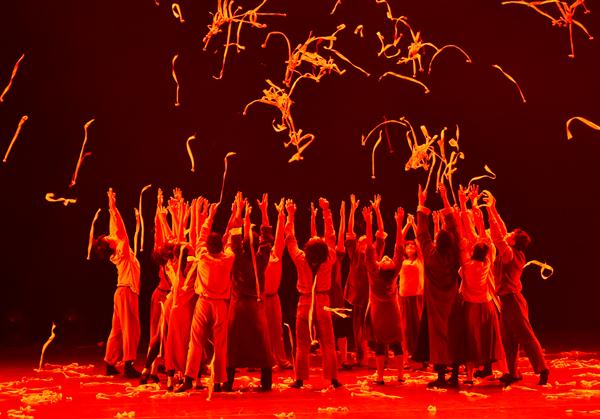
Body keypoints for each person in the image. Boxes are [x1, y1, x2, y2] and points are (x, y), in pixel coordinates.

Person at [484, 191, 549, 386]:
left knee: (525, 335)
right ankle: (513, 372)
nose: (508, 234)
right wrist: (494, 208)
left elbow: (498, 236)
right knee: (508, 338)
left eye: (511, 234)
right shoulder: (511, 251)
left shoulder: (510, 254)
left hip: (513, 299)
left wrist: (490, 210)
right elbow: (502, 231)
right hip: (507, 300)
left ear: (514, 241)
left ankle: (543, 369)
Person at [176, 199, 238, 392]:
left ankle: (189, 378)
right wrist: (236, 213)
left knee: (196, 341)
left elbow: (200, 237)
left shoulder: (202, 256)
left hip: (203, 303)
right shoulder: (228, 258)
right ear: (221, 246)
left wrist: (210, 216)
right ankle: (218, 381)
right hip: (220, 305)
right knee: (220, 344)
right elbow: (232, 239)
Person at [285, 198, 342, 389]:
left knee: (302, 343)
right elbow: (331, 236)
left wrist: (290, 215)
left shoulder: (301, 259)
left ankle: (300, 379)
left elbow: (290, 239)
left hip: (305, 302)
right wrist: (326, 211)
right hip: (323, 302)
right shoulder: (329, 258)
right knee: (328, 342)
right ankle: (333, 378)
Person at [224, 194, 275, 392]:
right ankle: (266, 382)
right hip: (255, 307)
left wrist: (239, 213)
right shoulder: (262, 259)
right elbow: (267, 238)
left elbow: (234, 238)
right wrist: (264, 211)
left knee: (234, 345)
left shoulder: (236, 258)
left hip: (238, 308)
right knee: (262, 344)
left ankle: (228, 382)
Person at [414, 184, 462, 388]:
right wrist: (445, 199)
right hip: (453, 301)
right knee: (454, 335)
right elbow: (455, 230)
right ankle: (455, 376)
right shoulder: (455, 254)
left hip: (435, 303)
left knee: (438, 337)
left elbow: (422, 233)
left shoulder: (431, 255)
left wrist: (421, 204)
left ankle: (442, 376)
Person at [92, 188, 142, 378]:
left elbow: (115, 229)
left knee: (118, 329)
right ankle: (128, 364)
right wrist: (114, 209)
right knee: (131, 329)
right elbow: (121, 231)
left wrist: (111, 208)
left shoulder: (116, 249)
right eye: (108, 238)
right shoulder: (122, 251)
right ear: (111, 245)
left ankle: (110, 362)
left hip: (121, 292)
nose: (110, 234)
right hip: (127, 291)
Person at [456, 193, 505, 384]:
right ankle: (488, 370)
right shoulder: (488, 261)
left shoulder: (466, 265)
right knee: (487, 338)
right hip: (487, 304)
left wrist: (464, 204)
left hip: (471, 306)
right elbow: (482, 237)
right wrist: (476, 209)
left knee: (471, 340)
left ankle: (470, 375)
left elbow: (467, 234)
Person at [363, 201, 406, 385]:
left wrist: (368, 223)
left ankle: (380, 376)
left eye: (386, 260)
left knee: (381, 344)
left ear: (380, 267)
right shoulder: (394, 273)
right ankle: (400, 375)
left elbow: (369, 248)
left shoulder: (374, 274)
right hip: (393, 312)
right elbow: (399, 248)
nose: (387, 257)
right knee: (396, 343)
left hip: (379, 313)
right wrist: (399, 223)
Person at [263, 196, 293, 370]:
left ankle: (281, 359)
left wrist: (281, 216)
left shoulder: (276, 255)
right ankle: (265, 360)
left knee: (277, 330)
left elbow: (278, 237)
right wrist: (263, 211)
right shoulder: (258, 257)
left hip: (274, 297)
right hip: (261, 298)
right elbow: (265, 231)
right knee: (263, 331)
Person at [398, 214, 425, 367]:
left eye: (412, 246)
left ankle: (420, 357)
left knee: (418, 327)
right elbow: (399, 240)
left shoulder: (420, 259)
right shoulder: (402, 261)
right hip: (404, 297)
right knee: (405, 329)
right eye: (408, 246)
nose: (410, 248)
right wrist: (406, 225)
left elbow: (420, 242)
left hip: (417, 296)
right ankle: (406, 357)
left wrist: (414, 225)